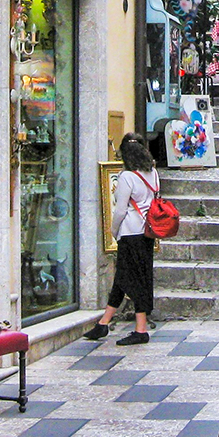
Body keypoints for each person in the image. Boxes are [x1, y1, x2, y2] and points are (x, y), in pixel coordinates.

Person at [84, 133, 158, 345]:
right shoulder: (152, 173)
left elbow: (120, 210)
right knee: (128, 277)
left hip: (129, 232)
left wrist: (113, 231)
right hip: (146, 232)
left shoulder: (126, 177)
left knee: (131, 279)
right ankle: (103, 323)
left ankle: (140, 329)